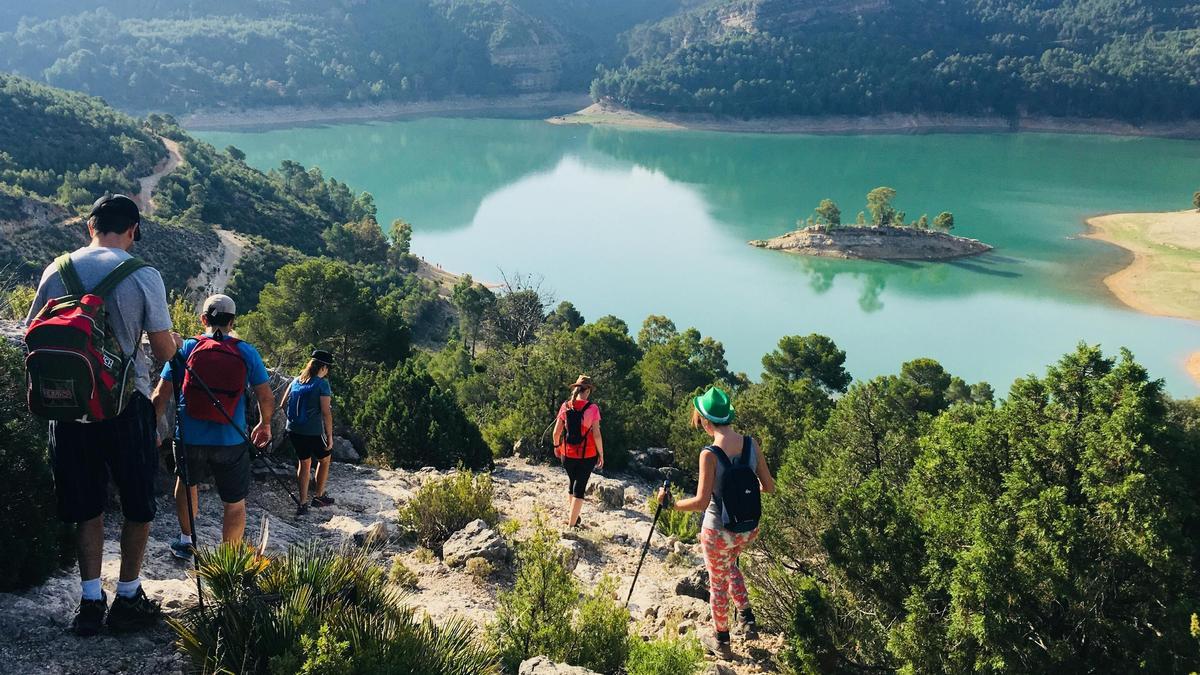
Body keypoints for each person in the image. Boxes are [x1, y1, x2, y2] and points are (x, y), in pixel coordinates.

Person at [24, 194, 182, 636]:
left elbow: (32, 335)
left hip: (70, 406)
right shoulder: (143, 275)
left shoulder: (57, 270)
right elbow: (165, 349)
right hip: (125, 405)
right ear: (133, 231)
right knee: (137, 504)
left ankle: (90, 601)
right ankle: (128, 595)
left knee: (85, 506)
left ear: (88, 228)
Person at [152, 294, 274, 561]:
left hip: (189, 437)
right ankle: (227, 560)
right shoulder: (246, 351)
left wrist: (153, 430)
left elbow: (160, 395)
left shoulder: (185, 348)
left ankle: (186, 542)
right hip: (230, 439)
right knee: (234, 501)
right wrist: (265, 425)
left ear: (203, 319)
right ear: (232, 321)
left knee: (186, 484)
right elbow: (266, 396)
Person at [658, 386, 775, 658]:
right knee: (730, 563)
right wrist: (744, 490)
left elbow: (700, 502)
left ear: (706, 421)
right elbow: (769, 487)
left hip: (718, 531)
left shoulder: (709, 454)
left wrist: (671, 504)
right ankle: (746, 619)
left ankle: (721, 640)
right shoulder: (751, 443)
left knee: (717, 583)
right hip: (747, 529)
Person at [280, 350, 335, 516]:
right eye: (328, 368)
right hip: (312, 431)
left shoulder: (296, 380)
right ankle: (319, 497)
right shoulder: (322, 384)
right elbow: (326, 413)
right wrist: (330, 437)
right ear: (324, 367)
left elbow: (283, 404)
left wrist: (294, 421)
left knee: (304, 463)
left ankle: (302, 503)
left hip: (294, 430)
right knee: (325, 459)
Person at [552, 375, 604, 528]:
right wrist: (601, 454)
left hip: (567, 453)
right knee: (579, 488)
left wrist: (556, 447)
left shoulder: (565, 406)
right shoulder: (593, 409)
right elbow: (596, 434)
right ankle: (571, 526)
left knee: (572, 484)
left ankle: (573, 517)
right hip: (587, 455)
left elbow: (556, 432)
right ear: (587, 390)